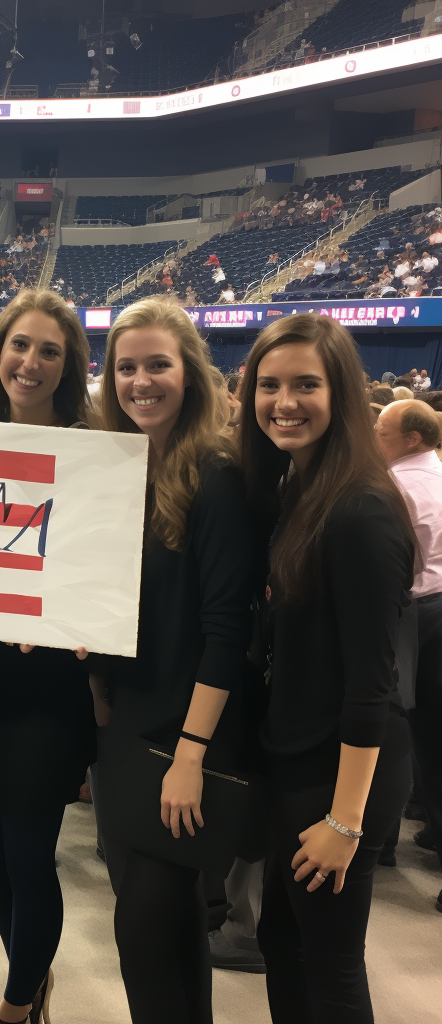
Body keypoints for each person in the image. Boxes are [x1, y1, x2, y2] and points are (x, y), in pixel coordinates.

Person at [236, 313, 415, 1022]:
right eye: (270, 385)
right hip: (300, 761)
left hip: (340, 774)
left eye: (306, 384)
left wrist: (345, 821)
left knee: (331, 969)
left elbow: (374, 685)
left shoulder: (361, 510)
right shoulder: (300, 491)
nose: (285, 401)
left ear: (341, 392)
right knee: (285, 943)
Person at [93, 296, 258, 1024]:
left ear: (190, 372)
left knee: (142, 932)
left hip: (185, 736)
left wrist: (191, 754)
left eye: (157, 365)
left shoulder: (217, 477)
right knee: (170, 925)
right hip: (128, 731)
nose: (140, 382)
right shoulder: (120, 470)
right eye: (125, 368)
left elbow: (228, 632)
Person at [0, 290, 95, 1024]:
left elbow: (112, 571)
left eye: (49, 351)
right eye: (19, 345)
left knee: (27, 856)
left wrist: (65, 612)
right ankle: (32, 985)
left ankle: (14, 1011)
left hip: (48, 690)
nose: (30, 363)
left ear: (68, 366)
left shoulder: (96, 451)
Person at [375, 400, 442, 909]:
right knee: (428, 729)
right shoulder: (435, 472)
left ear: (412, 438)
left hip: (417, 612)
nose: (375, 439)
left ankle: (378, 841)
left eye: (382, 431)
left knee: (397, 720)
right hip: (434, 606)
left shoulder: (398, 487)